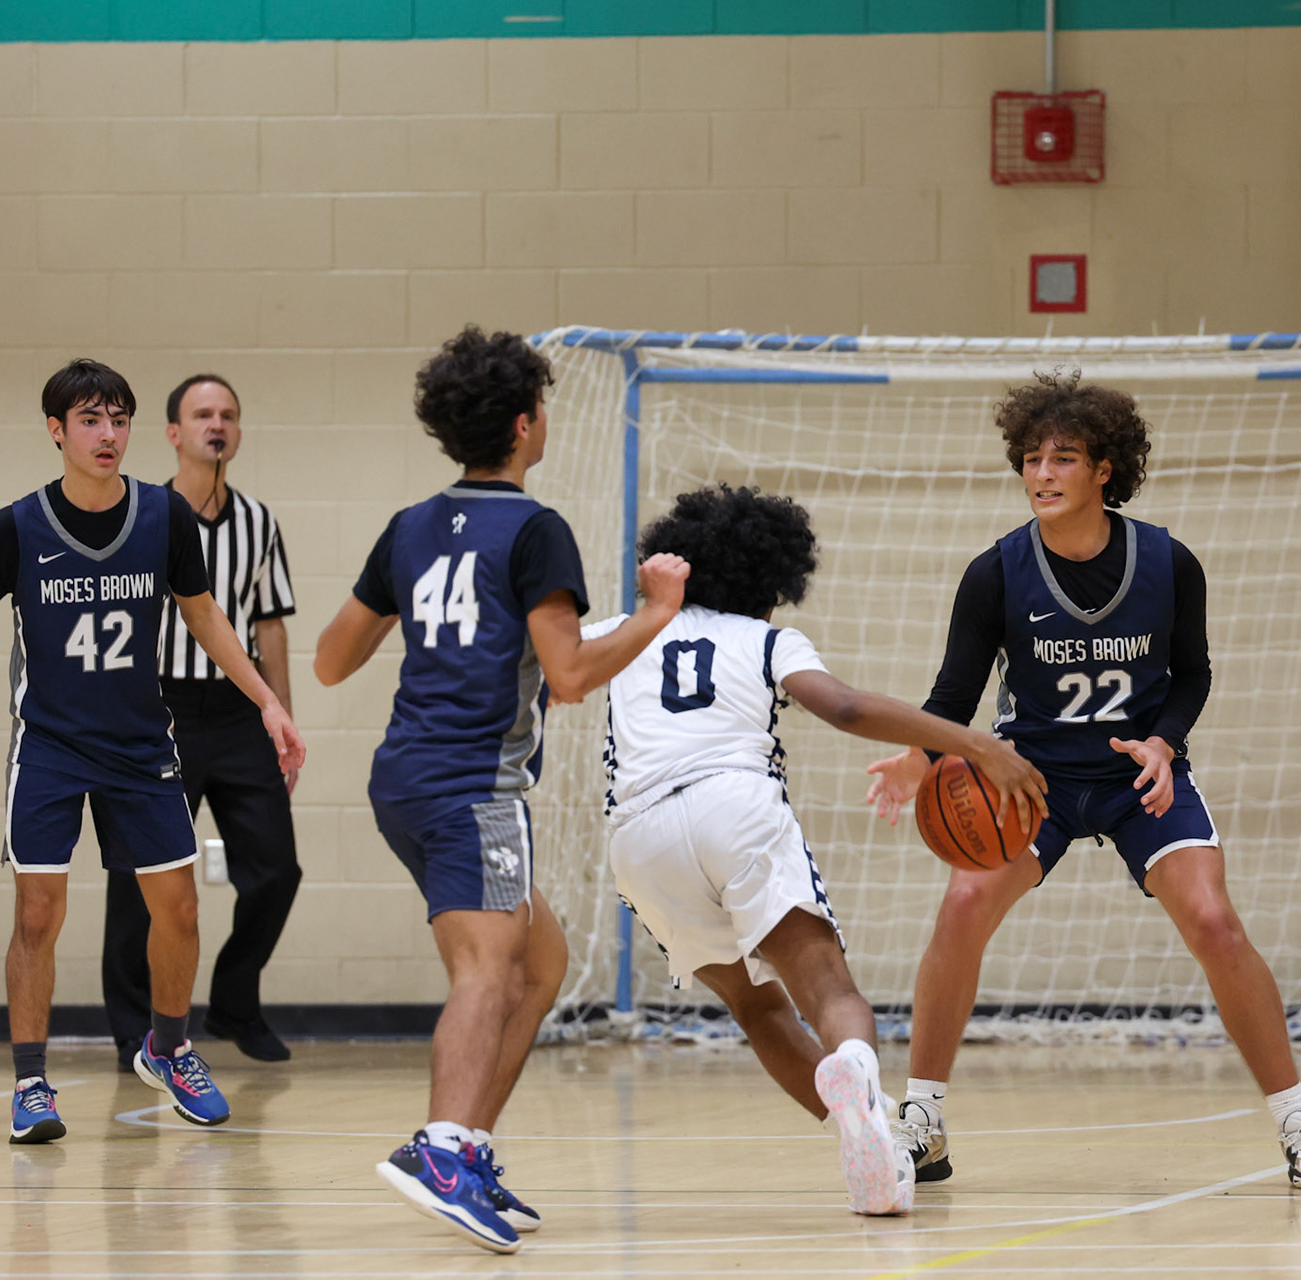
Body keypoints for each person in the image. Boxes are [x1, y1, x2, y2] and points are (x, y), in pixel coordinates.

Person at [865, 370, 1301, 1191]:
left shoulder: (1169, 562)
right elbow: (953, 695)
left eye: (1063, 457)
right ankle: (923, 1119)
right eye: (1031, 458)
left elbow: (1193, 674)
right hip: (1031, 778)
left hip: (1138, 778)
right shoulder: (996, 573)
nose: (1042, 473)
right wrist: (920, 754)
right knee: (962, 905)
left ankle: (1299, 1124)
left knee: (1215, 922)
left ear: (1104, 470)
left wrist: (1165, 743)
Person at [313, 326, 688, 1255]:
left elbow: (329, 661)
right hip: (474, 785)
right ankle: (441, 1149)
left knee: (541, 962)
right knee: (486, 971)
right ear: (524, 424)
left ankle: (471, 1148)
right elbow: (569, 675)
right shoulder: (533, 529)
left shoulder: (408, 526)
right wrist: (656, 614)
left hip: (403, 780)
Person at [0, 359, 304, 1145]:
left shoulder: (163, 517)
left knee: (179, 908)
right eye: (91, 420)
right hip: (51, 747)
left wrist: (268, 700)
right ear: (56, 430)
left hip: (141, 743)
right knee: (39, 913)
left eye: (119, 420)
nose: (108, 435)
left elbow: (205, 616)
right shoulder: (18, 525)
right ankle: (31, 1083)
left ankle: (169, 1049)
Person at [582, 484, 1046, 1217]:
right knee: (830, 992)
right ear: (773, 585)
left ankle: (868, 1147)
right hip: (734, 807)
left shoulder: (621, 629)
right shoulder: (767, 639)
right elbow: (847, 708)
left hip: (638, 836)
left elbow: (550, 669)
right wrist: (974, 744)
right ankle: (856, 1072)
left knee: (755, 1006)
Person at [103, 373, 300, 1070]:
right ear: (173, 433)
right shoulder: (141, 514)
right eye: (203, 414)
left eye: (228, 415)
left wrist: (282, 715)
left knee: (276, 870)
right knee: (140, 877)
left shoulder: (258, 522)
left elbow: (270, 625)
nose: (217, 425)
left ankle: (235, 1002)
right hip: (158, 710)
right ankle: (136, 1028)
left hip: (239, 714)